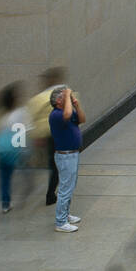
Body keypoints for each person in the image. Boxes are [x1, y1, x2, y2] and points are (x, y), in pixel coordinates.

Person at [0, 83, 29, 214]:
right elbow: (21, 132)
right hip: (13, 149)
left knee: (4, 177)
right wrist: (23, 149)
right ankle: (20, 195)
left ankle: (5, 203)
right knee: (21, 174)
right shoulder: (19, 113)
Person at [27, 66, 66, 206]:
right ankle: (52, 193)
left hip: (48, 136)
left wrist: (37, 135)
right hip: (62, 135)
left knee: (54, 165)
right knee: (59, 166)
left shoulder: (39, 99)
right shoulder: (67, 94)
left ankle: (51, 193)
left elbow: (31, 117)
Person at [49, 84, 86, 233]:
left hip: (73, 154)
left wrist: (77, 105)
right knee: (65, 189)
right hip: (65, 156)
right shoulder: (57, 114)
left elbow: (82, 119)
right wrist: (68, 92)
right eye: (66, 98)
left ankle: (66, 214)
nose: (70, 99)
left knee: (70, 186)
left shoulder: (67, 112)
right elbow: (67, 114)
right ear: (59, 101)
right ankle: (60, 222)